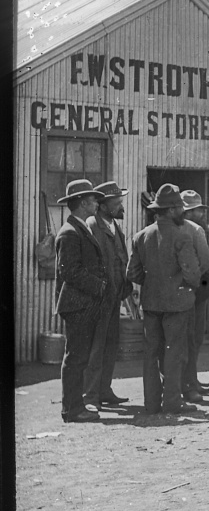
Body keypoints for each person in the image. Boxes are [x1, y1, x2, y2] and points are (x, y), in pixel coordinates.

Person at [125, 183, 201, 416]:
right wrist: (185, 288)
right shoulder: (182, 236)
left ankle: (151, 404)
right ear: (170, 210)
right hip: (177, 305)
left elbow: (132, 273)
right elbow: (193, 274)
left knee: (151, 353)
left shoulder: (140, 236)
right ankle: (172, 403)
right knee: (174, 353)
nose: (182, 211)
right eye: (179, 207)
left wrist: (152, 284)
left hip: (151, 304)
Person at [54, 180, 110, 423]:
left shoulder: (79, 228)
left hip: (83, 305)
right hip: (78, 306)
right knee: (76, 358)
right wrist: (99, 286)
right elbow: (69, 272)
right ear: (82, 203)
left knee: (79, 356)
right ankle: (72, 409)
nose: (97, 203)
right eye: (94, 200)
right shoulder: (69, 233)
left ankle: (75, 406)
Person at [82, 181, 132, 410]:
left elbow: (121, 260)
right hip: (100, 299)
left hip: (115, 296)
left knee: (111, 344)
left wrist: (126, 288)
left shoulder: (114, 226)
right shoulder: (92, 226)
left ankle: (104, 390)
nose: (121, 205)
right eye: (116, 201)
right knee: (97, 346)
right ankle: (90, 396)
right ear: (102, 205)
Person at [176, 190, 209, 403]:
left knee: (187, 340)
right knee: (193, 338)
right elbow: (206, 262)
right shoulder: (196, 230)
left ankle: (190, 380)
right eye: (196, 210)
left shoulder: (175, 228)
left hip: (182, 291)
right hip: (196, 291)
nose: (200, 213)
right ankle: (189, 383)